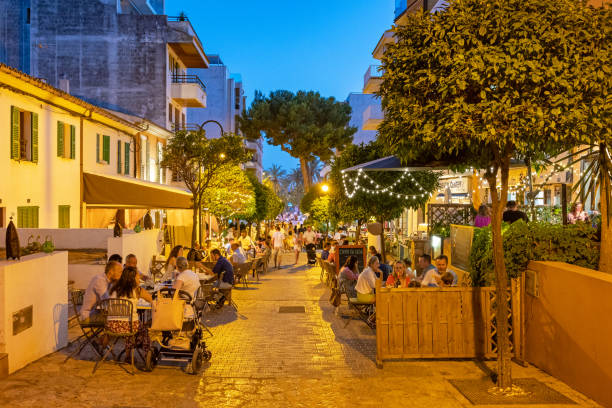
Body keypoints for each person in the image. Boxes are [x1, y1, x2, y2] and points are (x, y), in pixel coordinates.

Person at [106, 266, 152, 357]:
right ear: (133, 278)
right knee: (143, 330)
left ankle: (128, 356)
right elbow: (151, 299)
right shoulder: (137, 290)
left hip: (111, 326)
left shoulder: (114, 289)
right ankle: (146, 354)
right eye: (138, 276)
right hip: (129, 327)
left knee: (130, 323)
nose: (139, 278)